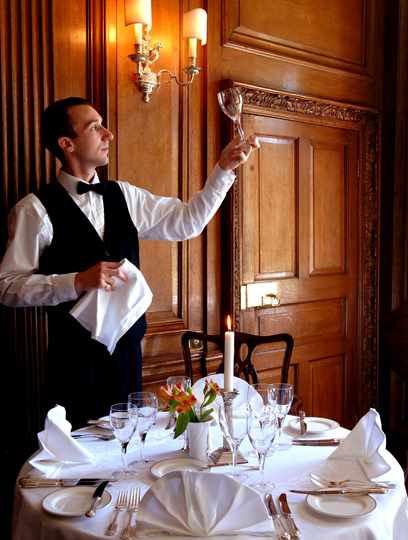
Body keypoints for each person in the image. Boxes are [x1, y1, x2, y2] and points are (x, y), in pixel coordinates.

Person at [0, 97, 258, 428]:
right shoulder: (34, 209)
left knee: (130, 457)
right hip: (73, 365)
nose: (108, 134)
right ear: (67, 144)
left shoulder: (126, 195)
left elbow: (187, 222)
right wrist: (76, 281)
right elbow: (7, 287)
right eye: (94, 127)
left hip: (128, 361)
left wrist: (222, 170)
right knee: (80, 470)